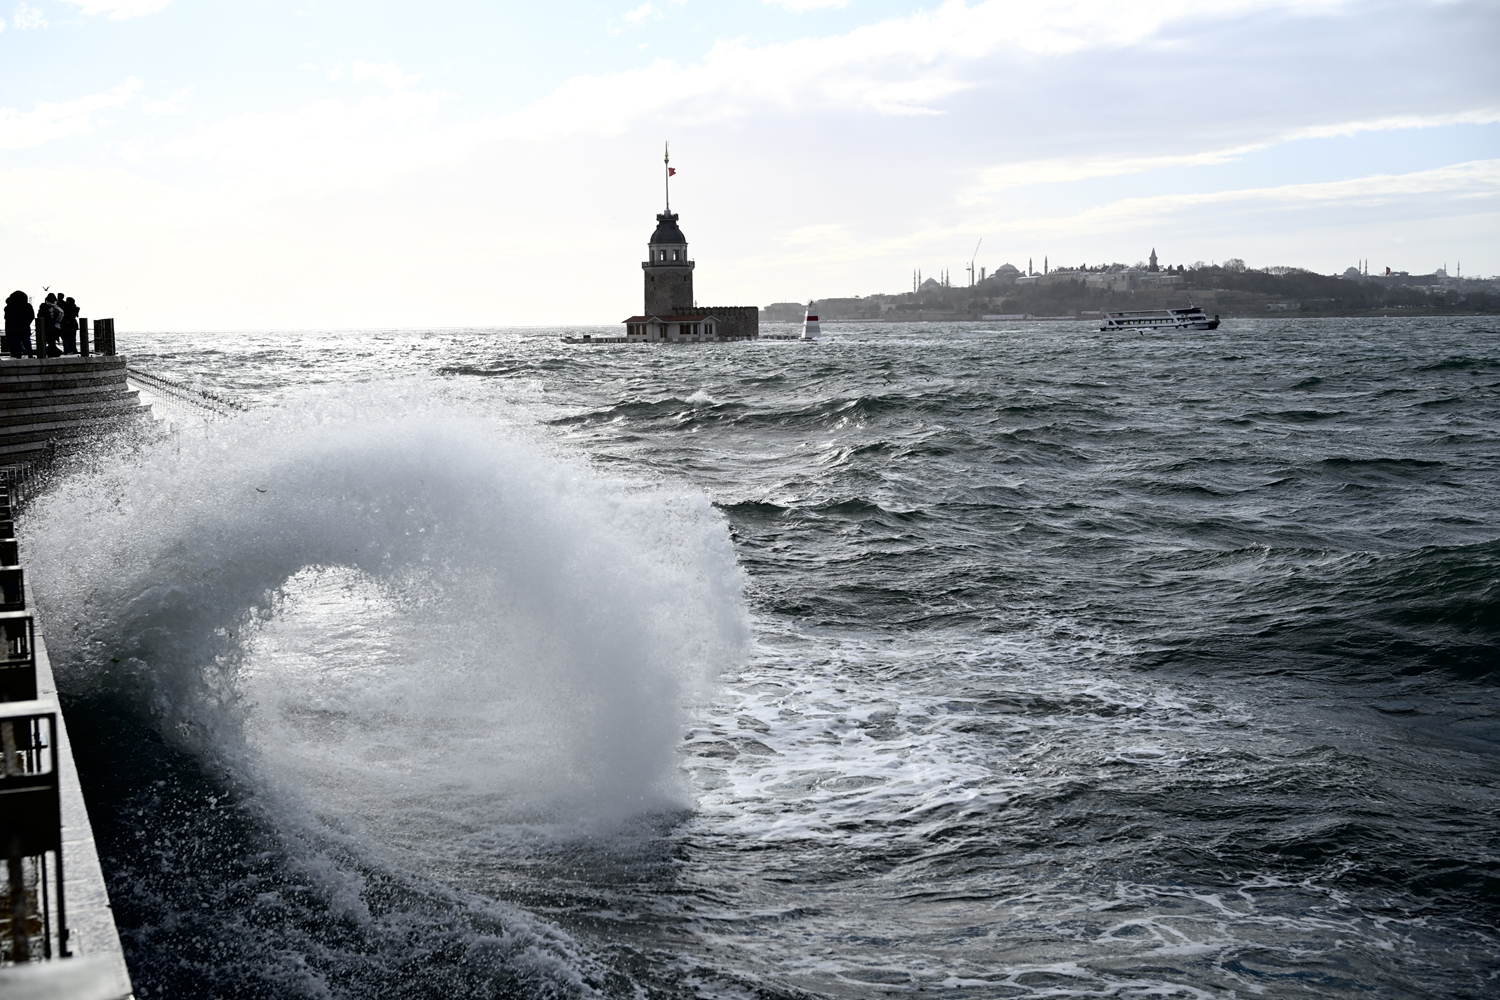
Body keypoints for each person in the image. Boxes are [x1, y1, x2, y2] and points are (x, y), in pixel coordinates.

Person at [3, 291, 33, 359]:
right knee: (26, 343)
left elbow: (7, 318)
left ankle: (19, 356)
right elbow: (31, 316)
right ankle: (29, 355)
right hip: (24, 328)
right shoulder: (27, 306)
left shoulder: (9, 307)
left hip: (14, 329)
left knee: (17, 343)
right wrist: (26, 323)